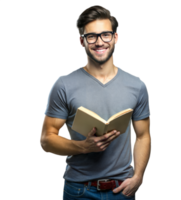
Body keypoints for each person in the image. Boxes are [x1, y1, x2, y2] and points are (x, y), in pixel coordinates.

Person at [39, 4, 151, 200]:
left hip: (122, 190)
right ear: (81, 41)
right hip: (78, 191)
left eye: (105, 35)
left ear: (116, 37)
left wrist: (138, 177)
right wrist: (84, 147)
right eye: (91, 36)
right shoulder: (63, 85)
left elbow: (143, 136)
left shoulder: (138, 85)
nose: (99, 42)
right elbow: (46, 140)